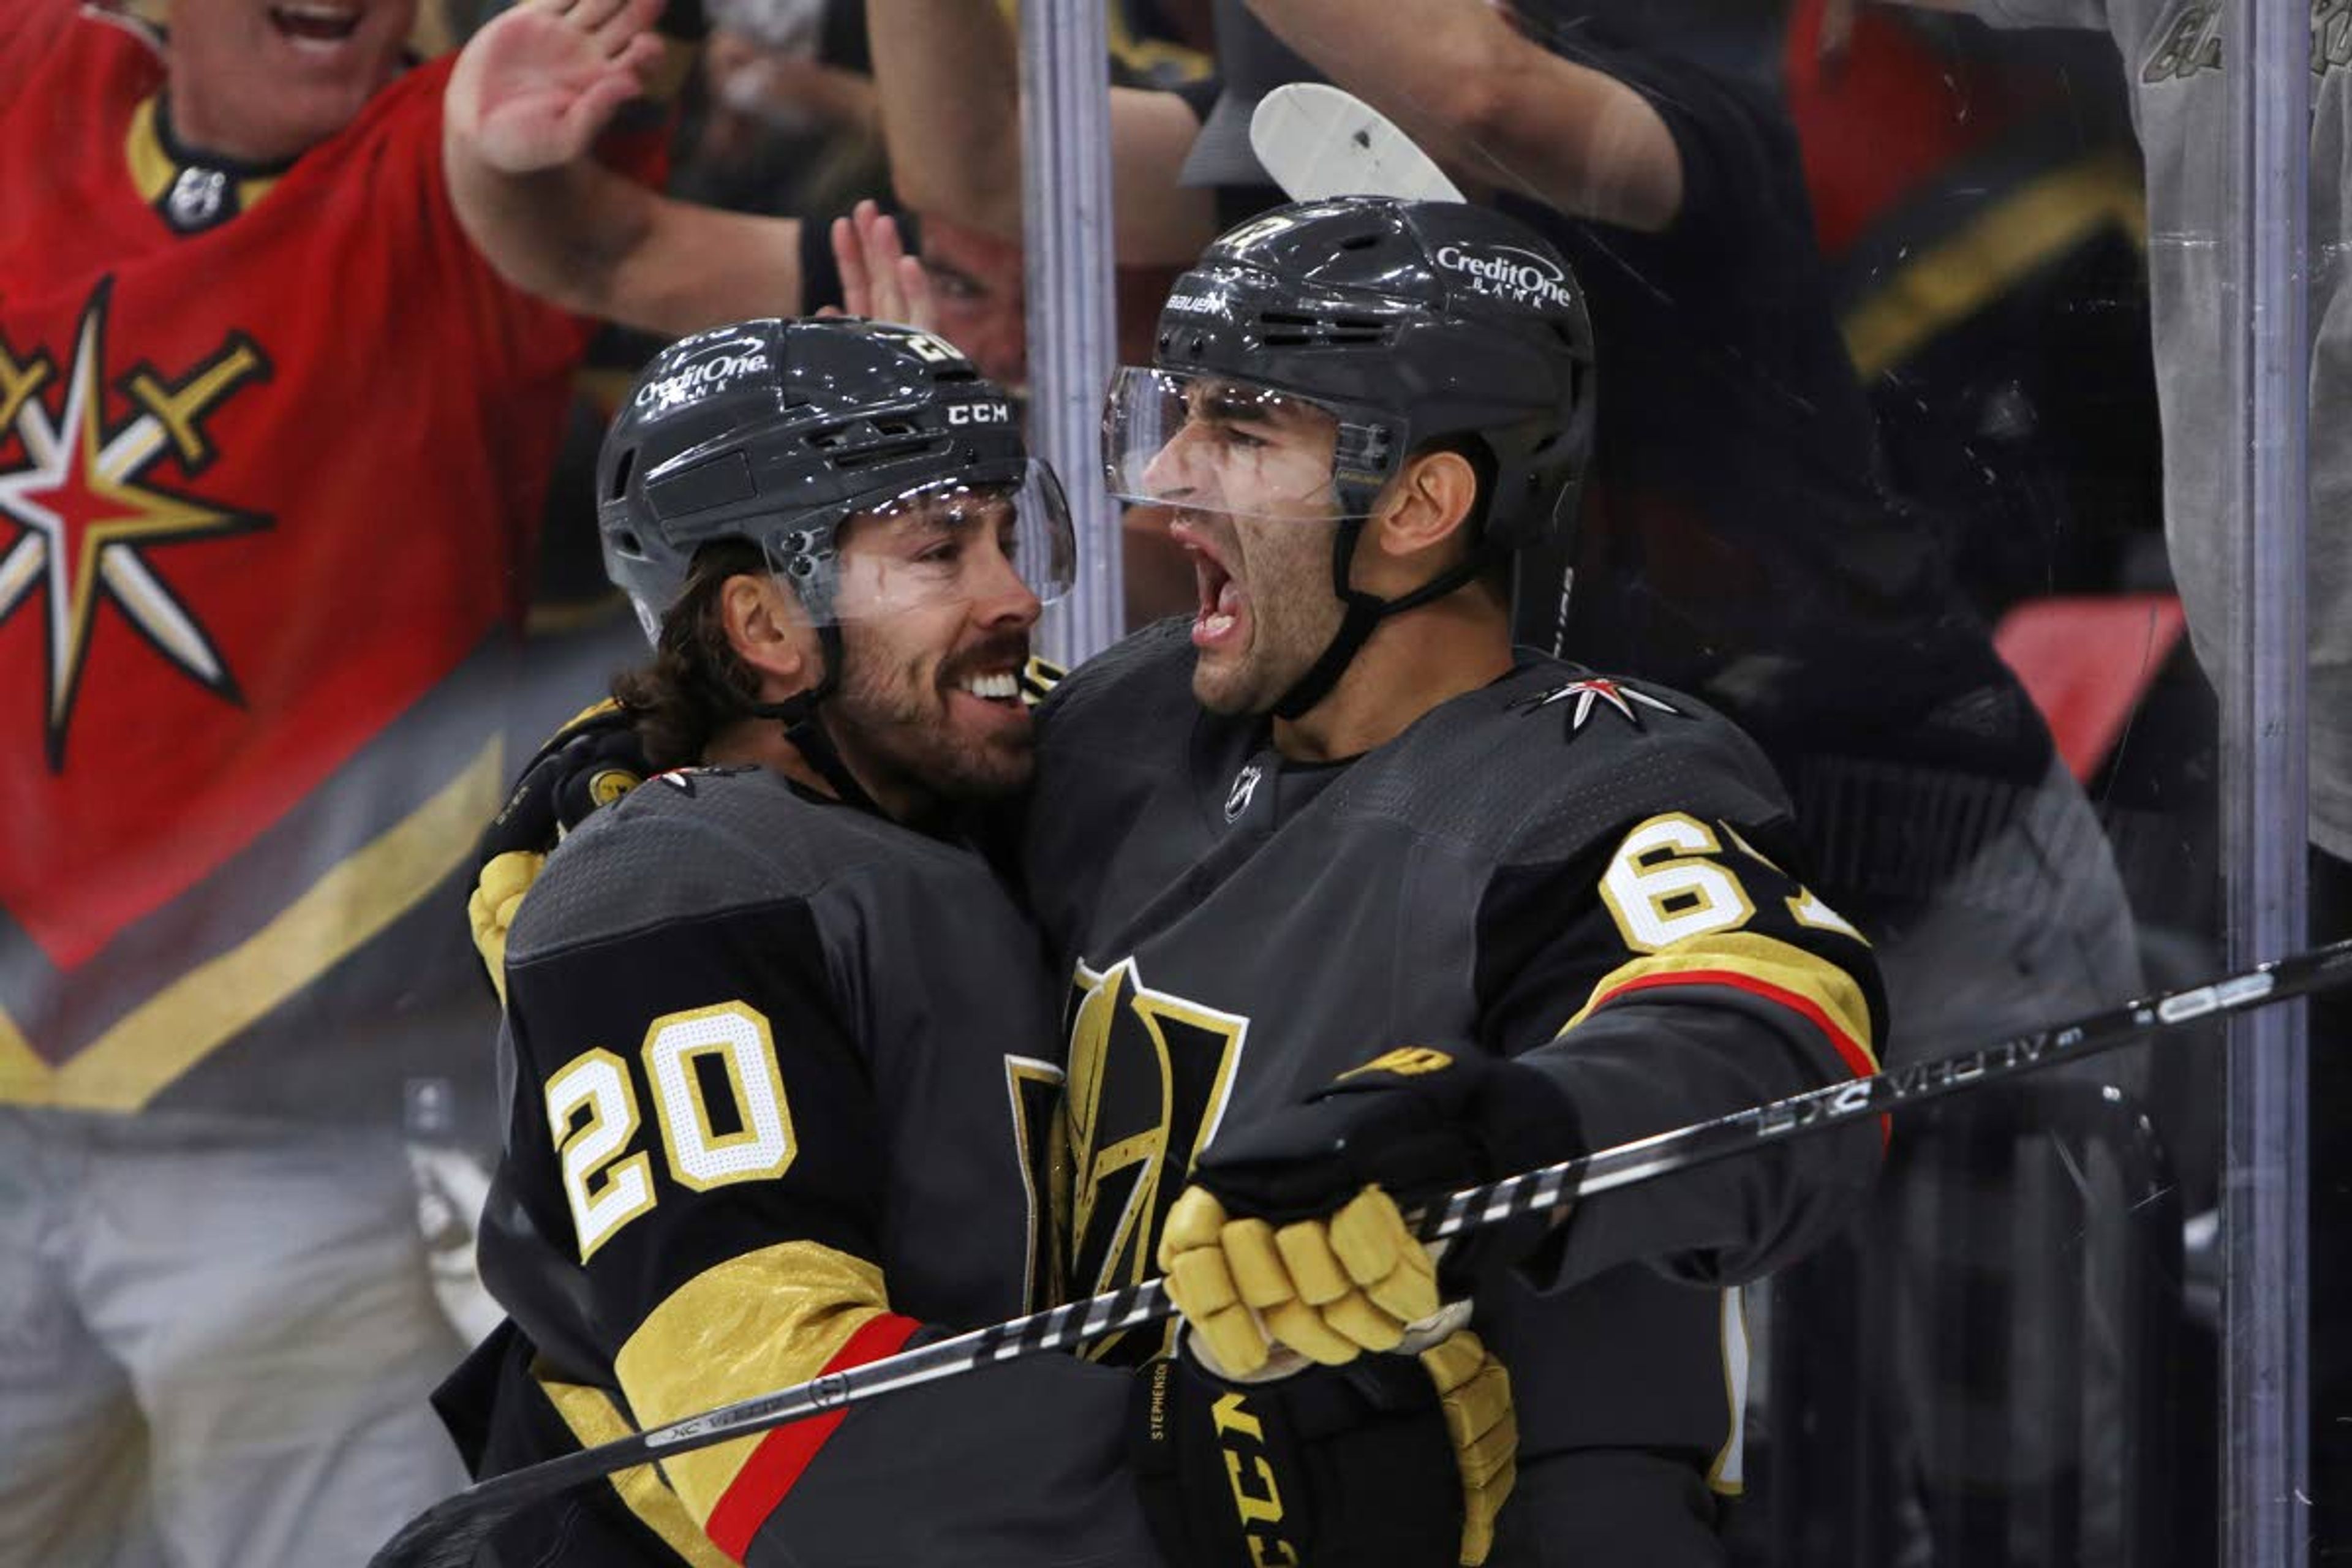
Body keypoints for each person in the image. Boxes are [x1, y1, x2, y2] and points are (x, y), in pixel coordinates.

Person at [439, 314, 1515, 1567]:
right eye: (939, 552)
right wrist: (1211, 1477)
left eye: (1011, 535)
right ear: (768, 625)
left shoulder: (978, 803)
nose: (1016, 597)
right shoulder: (673, 893)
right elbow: (779, 1434)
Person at [0, 0, 843, 1560]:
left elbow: (605, 219)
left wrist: (529, 159)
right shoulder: (40, 83)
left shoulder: (454, 162)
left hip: (290, 1123)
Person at [1017, 195, 1887, 1563]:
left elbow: (1779, 1047)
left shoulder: (1596, 782)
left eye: (1241, 432)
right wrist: (683, 740)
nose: (1166, 475)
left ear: (1422, 502)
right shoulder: (1129, 719)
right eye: (1177, 413)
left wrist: (1499, 1135)